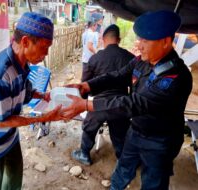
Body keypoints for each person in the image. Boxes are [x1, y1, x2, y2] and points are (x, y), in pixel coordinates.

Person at [60, 10, 193, 189]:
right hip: (136, 131)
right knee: (122, 170)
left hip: (159, 141)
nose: (139, 46)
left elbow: (133, 104)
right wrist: (88, 86)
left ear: (166, 42)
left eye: (145, 41)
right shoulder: (142, 61)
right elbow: (117, 75)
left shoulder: (175, 77)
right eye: (139, 39)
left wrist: (86, 105)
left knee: (153, 183)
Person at [0, 12, 62, 190]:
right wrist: (42, 117)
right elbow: (2, 121)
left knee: (14, 177)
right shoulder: (0, 74)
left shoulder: (21, 63)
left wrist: (41, 95)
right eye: (45, 48)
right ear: (25, 42)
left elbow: (23, 90)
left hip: (6, 133)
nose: (46, 54)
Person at [72, 24, 134, 165]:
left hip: (97, 105)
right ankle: (121, 160)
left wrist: (84, 105)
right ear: (118, 39)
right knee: (120, 133)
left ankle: (84, 154)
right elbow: (134, 86)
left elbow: (84, 85)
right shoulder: (130, 58)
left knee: (88, 128)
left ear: (103, 39)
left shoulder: (95, 58)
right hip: (120, 104)